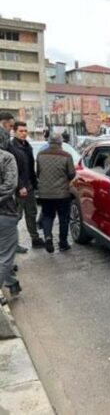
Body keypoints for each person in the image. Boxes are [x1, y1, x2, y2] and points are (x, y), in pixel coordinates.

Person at [36, 133, 76, 253]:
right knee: (63, 218)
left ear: (49, 142)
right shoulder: (66, 155)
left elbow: (38, 172)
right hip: (62, 194)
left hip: (45, 193)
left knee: (47, 216)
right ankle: (63, 243)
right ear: (61, 142)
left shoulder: (40, 154)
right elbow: (72, 174)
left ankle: (48, 238)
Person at [10, 122, 44, 250]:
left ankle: (35, 239)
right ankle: (13, 244)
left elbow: (30, 169)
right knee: (16, 216)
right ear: (14, 132)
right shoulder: (11, 147)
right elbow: (12, 170)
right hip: (18, 189)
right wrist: (20, 187)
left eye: (25, 131)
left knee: (32, 213)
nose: (24, 133)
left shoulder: (27, 146)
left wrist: (35, 184)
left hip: (29, 186)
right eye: (21, 131)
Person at [0, 125, 19, 305]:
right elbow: (9, 186)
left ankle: (13, 284)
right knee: (5, 256)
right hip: (4, 213)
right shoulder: (6, 157)